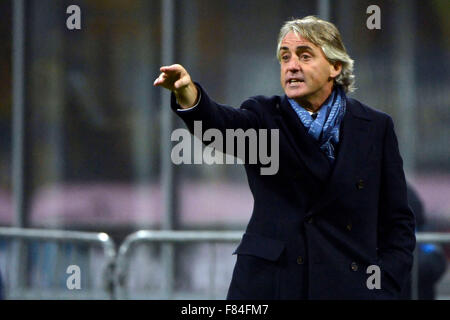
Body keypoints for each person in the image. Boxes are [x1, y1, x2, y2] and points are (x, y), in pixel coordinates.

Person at [154, 16, 416, 299]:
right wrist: (188, 95)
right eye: (285, 57)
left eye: (305, 56)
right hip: (270, 286)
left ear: (335, 67)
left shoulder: (376, 127)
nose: (292, 66)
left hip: (346, 288)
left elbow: (398, 222)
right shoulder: (263, 115)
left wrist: (385, 286)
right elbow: (220, 126)